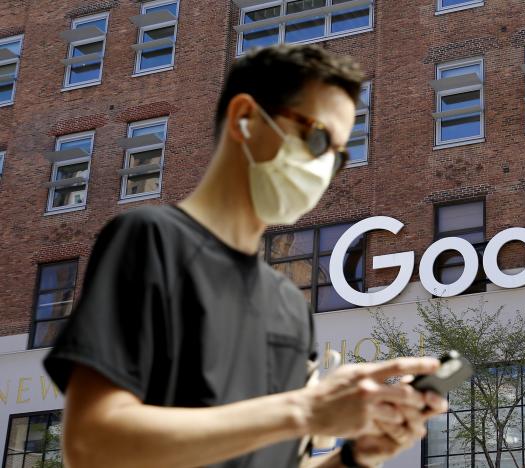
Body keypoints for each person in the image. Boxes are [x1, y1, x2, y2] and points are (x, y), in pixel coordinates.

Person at [42, 44, 447, 468]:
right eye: (318, 139)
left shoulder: (290, 305)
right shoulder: (152, 240)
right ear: (245, 119)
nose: (325, 167)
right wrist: (306, 410)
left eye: (338, 156)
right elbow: (92, 445)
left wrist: (357, 456)